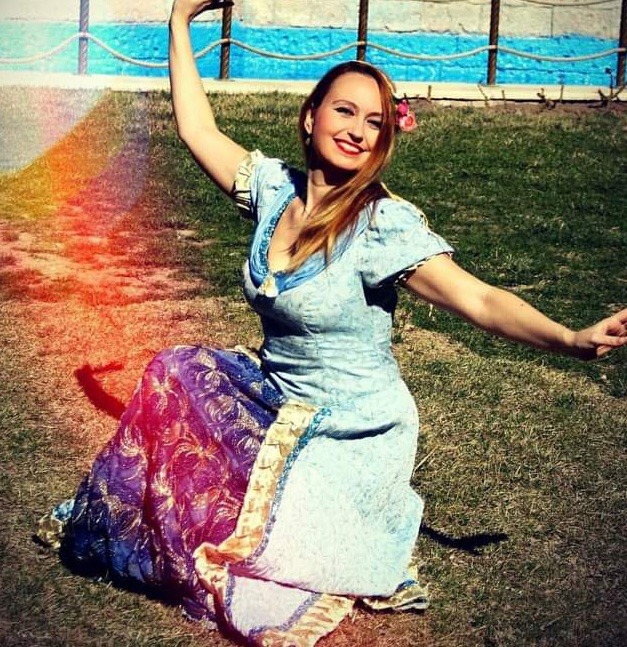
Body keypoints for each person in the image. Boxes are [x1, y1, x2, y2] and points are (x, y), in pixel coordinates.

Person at [39, 1, 627, 645]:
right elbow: (196, 129)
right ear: (310, 116)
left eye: (374, 122)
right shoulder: (274, 191)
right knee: (175, 372)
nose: (358, 131)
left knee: (246, 543)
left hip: (350, 431)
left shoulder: (381, 226)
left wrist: (570, 339)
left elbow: (479, 300)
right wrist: (180, 22)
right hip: (279, 398)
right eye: (345, 111)